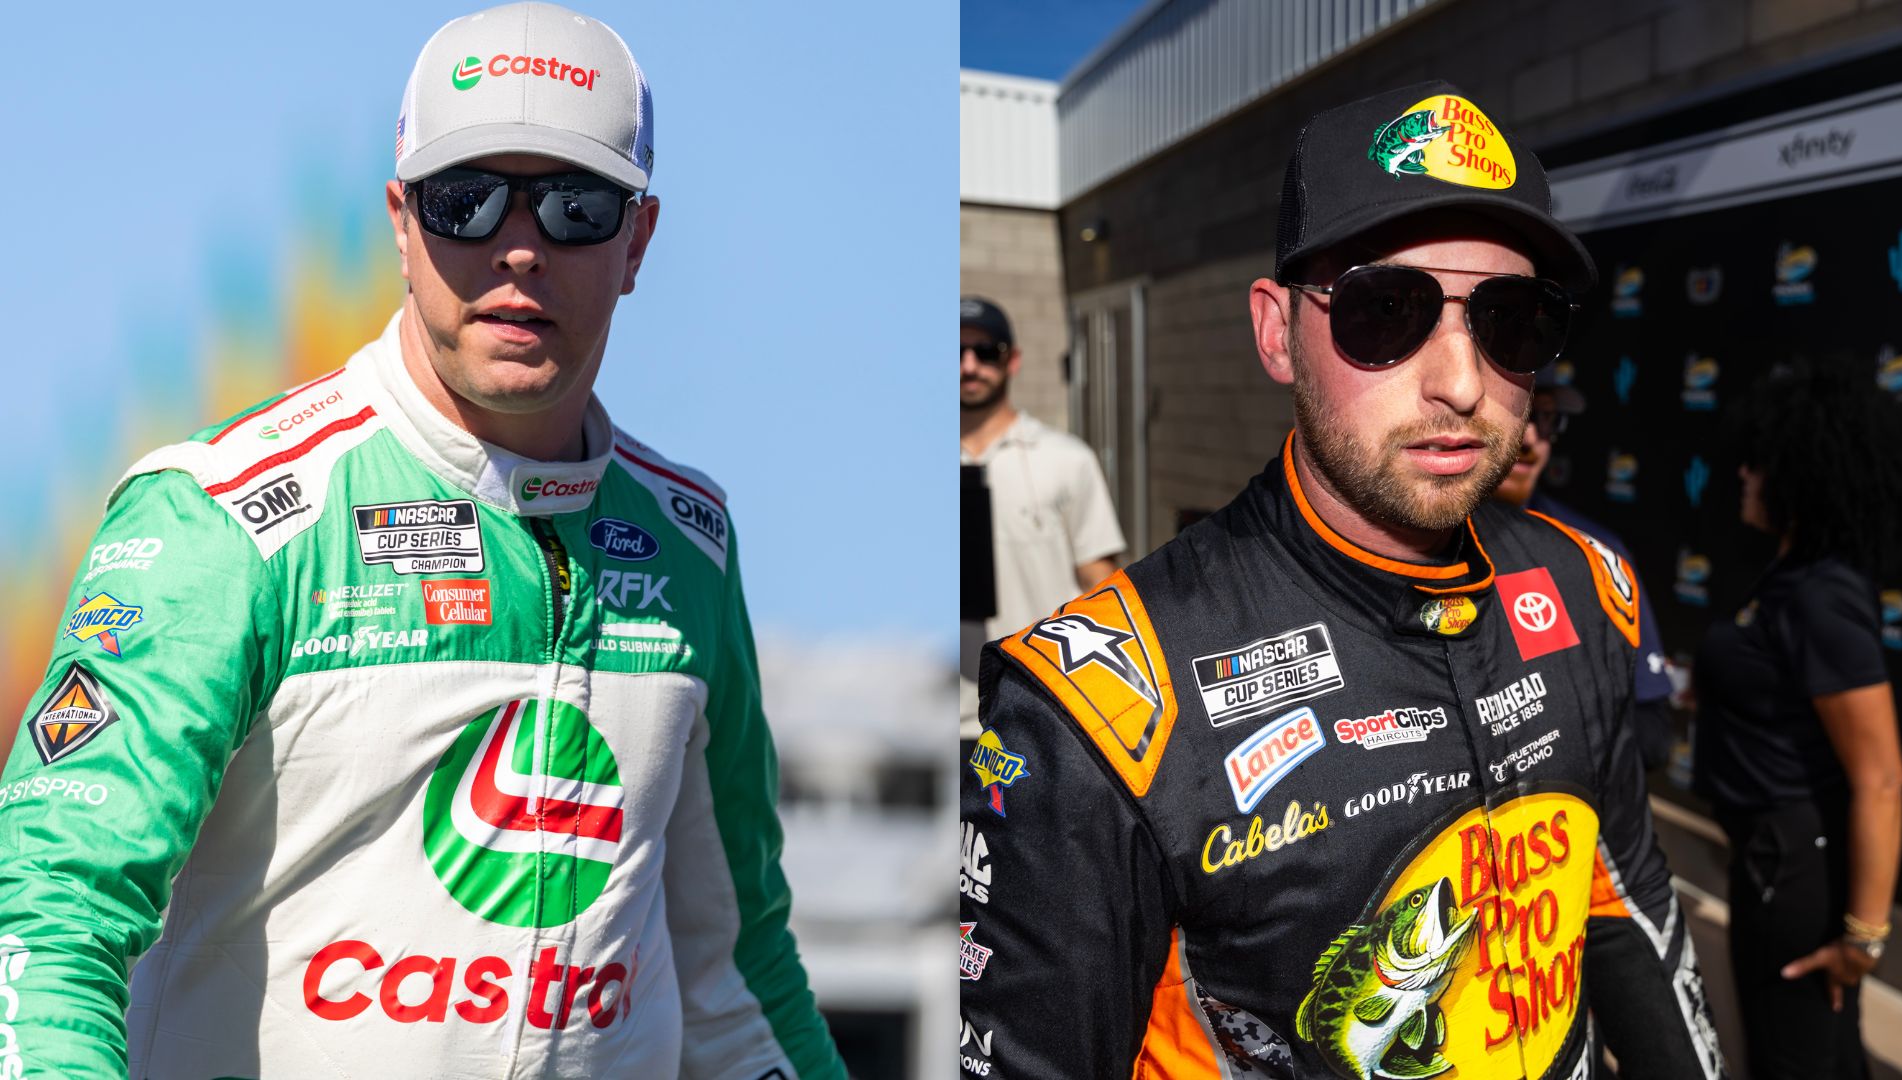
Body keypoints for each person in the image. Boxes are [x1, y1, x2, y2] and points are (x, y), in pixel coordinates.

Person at [0, 5, 844, 1077]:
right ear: (401, 222)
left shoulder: (690, 545)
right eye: (467, 200)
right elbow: (47, 915)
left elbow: (736, 977)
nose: (520, 247)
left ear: (638, 241)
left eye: (577, 205)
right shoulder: (222, 516)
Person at [959, 81, 1724, 1080]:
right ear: (1278, 331)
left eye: (1512, 319)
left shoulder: (1585, 584)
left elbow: (1624, 900)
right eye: (1387, 310)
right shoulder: (1098, 710)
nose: (1461, 380)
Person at [1693, 364, 1902, 1080]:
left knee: (1794, 1057)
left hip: (1794, 869)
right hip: (1769, 854)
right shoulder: (1790, 581)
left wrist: (1865, 938)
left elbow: (1882, 778)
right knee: (1814, 1049)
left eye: (1761, 462)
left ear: (1803, 475)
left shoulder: (1823, 597)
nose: (1744, 473)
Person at [1494, 364, 1677, 769]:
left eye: (1546, 418)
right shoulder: (1411, 542)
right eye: (1514, 412)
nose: (1531, 439)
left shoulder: (1595, 551)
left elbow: (1652, 733)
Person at [959, 295, 1125, 730]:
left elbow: (1101, 585)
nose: (969, 365)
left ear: (1012, 360)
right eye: (955, 352)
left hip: (1042, 711)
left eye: (985, 352)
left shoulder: (1067, 460)